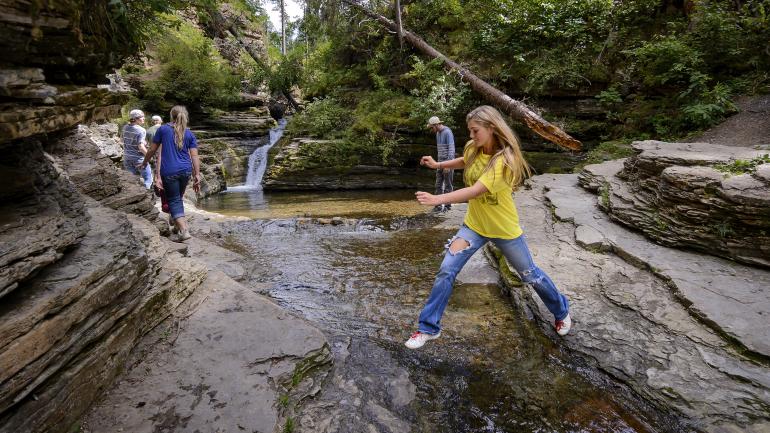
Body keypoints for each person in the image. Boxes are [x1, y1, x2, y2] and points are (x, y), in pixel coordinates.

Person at [405, 105, 571, 350]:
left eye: (475, 131)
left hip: (504, 229)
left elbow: (475, 190)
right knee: (446, 271)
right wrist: (438, 166)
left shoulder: (505, 160)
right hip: (474, 227)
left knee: (530, 275)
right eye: (469, 131)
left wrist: (437, 199)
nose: (471, 137)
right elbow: (466, 160)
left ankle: (561, 311)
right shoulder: (474, 146)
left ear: (492, 128)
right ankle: (428, 328)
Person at [141, 105, 201, 241]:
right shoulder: (189, 133)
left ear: (171, 115)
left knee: (173, 200)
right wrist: (197, 174)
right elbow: (195, 156)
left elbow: (151, 150)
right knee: (177, 198)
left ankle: (184, 230)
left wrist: (145, 162)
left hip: (169, 171)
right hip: (185, 171)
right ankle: (176, 225)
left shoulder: (163, 130)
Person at [427, 116, 455, 212]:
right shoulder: (437, 134)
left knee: (448, 185)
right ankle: (438, 205)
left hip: (448, 163)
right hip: (439, 163)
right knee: (438, 184)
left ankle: (448, 206)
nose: (431, 129)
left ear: (436, 125)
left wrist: (448, 165)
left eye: (431, 127)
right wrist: (438, 164)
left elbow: (451, 150)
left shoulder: (447, 132)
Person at [122, 109, 153, 189]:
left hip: (127, 157)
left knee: (133, 180)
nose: (144, 118)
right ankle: (147, 197)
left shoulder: (125, 127)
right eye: (142, 117)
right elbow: (141, 147)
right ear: (136, 119)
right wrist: (149, 156)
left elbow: (123, 140)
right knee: (148, 179)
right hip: (138, 159)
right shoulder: (141, 130)